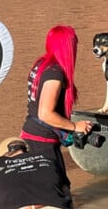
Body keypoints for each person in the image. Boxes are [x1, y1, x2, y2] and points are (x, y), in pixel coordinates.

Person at [19, 25, 93, 184]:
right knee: (58, 192)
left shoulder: (42, 64)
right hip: (42, 140)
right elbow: (45, 113)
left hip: (33, 135)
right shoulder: (55, 73)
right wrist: (75, 126)